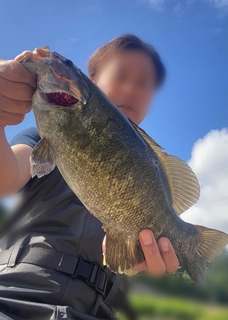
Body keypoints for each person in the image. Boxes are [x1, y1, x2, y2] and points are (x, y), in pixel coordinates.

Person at [0, 34, 179, 320]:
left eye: (143, 83)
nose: (132, 87)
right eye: (121, 75)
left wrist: (137, 260)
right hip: (16, 296)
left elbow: (125, 262)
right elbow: (4, 180)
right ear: (91, 81)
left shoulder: (150, 169)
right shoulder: (44, 136)